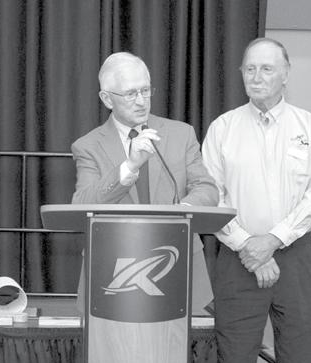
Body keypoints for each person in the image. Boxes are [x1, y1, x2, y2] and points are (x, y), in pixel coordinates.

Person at [201, 37, 311, 363]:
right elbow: (211, 196)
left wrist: (272, 240)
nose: (257, 77)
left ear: (286, 73)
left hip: (295, 257)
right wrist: (248, 245)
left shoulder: (310, 127)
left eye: (267, 68)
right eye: (250, 68)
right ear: (242, 73)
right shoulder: (222, 128)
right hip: (237, 259)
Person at [71, 51, 218, 311]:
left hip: (177, 260)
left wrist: (182, 213)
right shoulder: (88, 146)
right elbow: (83, 203)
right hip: (113, 269)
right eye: (130, 94)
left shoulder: (181, 134)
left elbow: (206, 188)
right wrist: (130, 166)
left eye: (146, 90)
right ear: (107, 99)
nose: (141, 101)